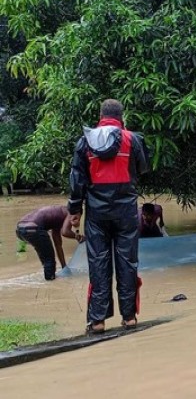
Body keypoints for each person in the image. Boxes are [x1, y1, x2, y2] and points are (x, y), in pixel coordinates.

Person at [69, 99, 150, 334]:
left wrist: (75, 210)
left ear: (100, 116)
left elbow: (77, 180)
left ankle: (98, 321)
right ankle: (129, 318)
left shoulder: (85, 142)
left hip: (96, 214)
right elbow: (142, 169)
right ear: (121, 116)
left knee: (98, 264)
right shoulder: (133, 139)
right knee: (127, 262)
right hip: (126, 212)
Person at [15, 205, 84, 280]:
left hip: (20, 230)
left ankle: (49, 278)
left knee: (46, 259)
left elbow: (58, 245)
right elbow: (65, 232)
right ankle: (50, 282)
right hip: (33, 229)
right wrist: (79, 237)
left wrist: (64, 267)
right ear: (78, 214)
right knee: (49, 261)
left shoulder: (57, 217)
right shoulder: (71, 212)